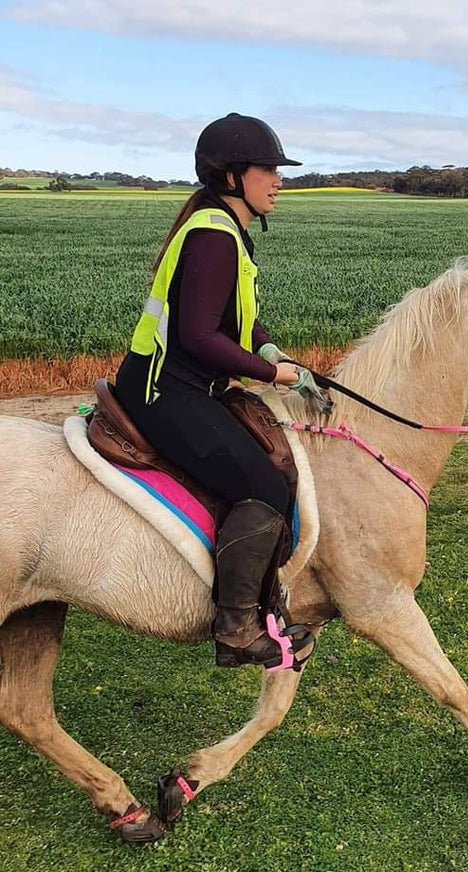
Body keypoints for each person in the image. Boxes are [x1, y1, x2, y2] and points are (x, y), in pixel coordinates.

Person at [115, 113, 309, 670]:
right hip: (165, 392)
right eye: (267, 169)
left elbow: (239, 322)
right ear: (231, 176)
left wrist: (270, 351)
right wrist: (273, 377)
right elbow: (199, 337)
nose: (278, 180)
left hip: (184, 385)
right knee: (265, 486)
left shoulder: (226, 230)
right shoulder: (212, 234)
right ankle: (237, 628)